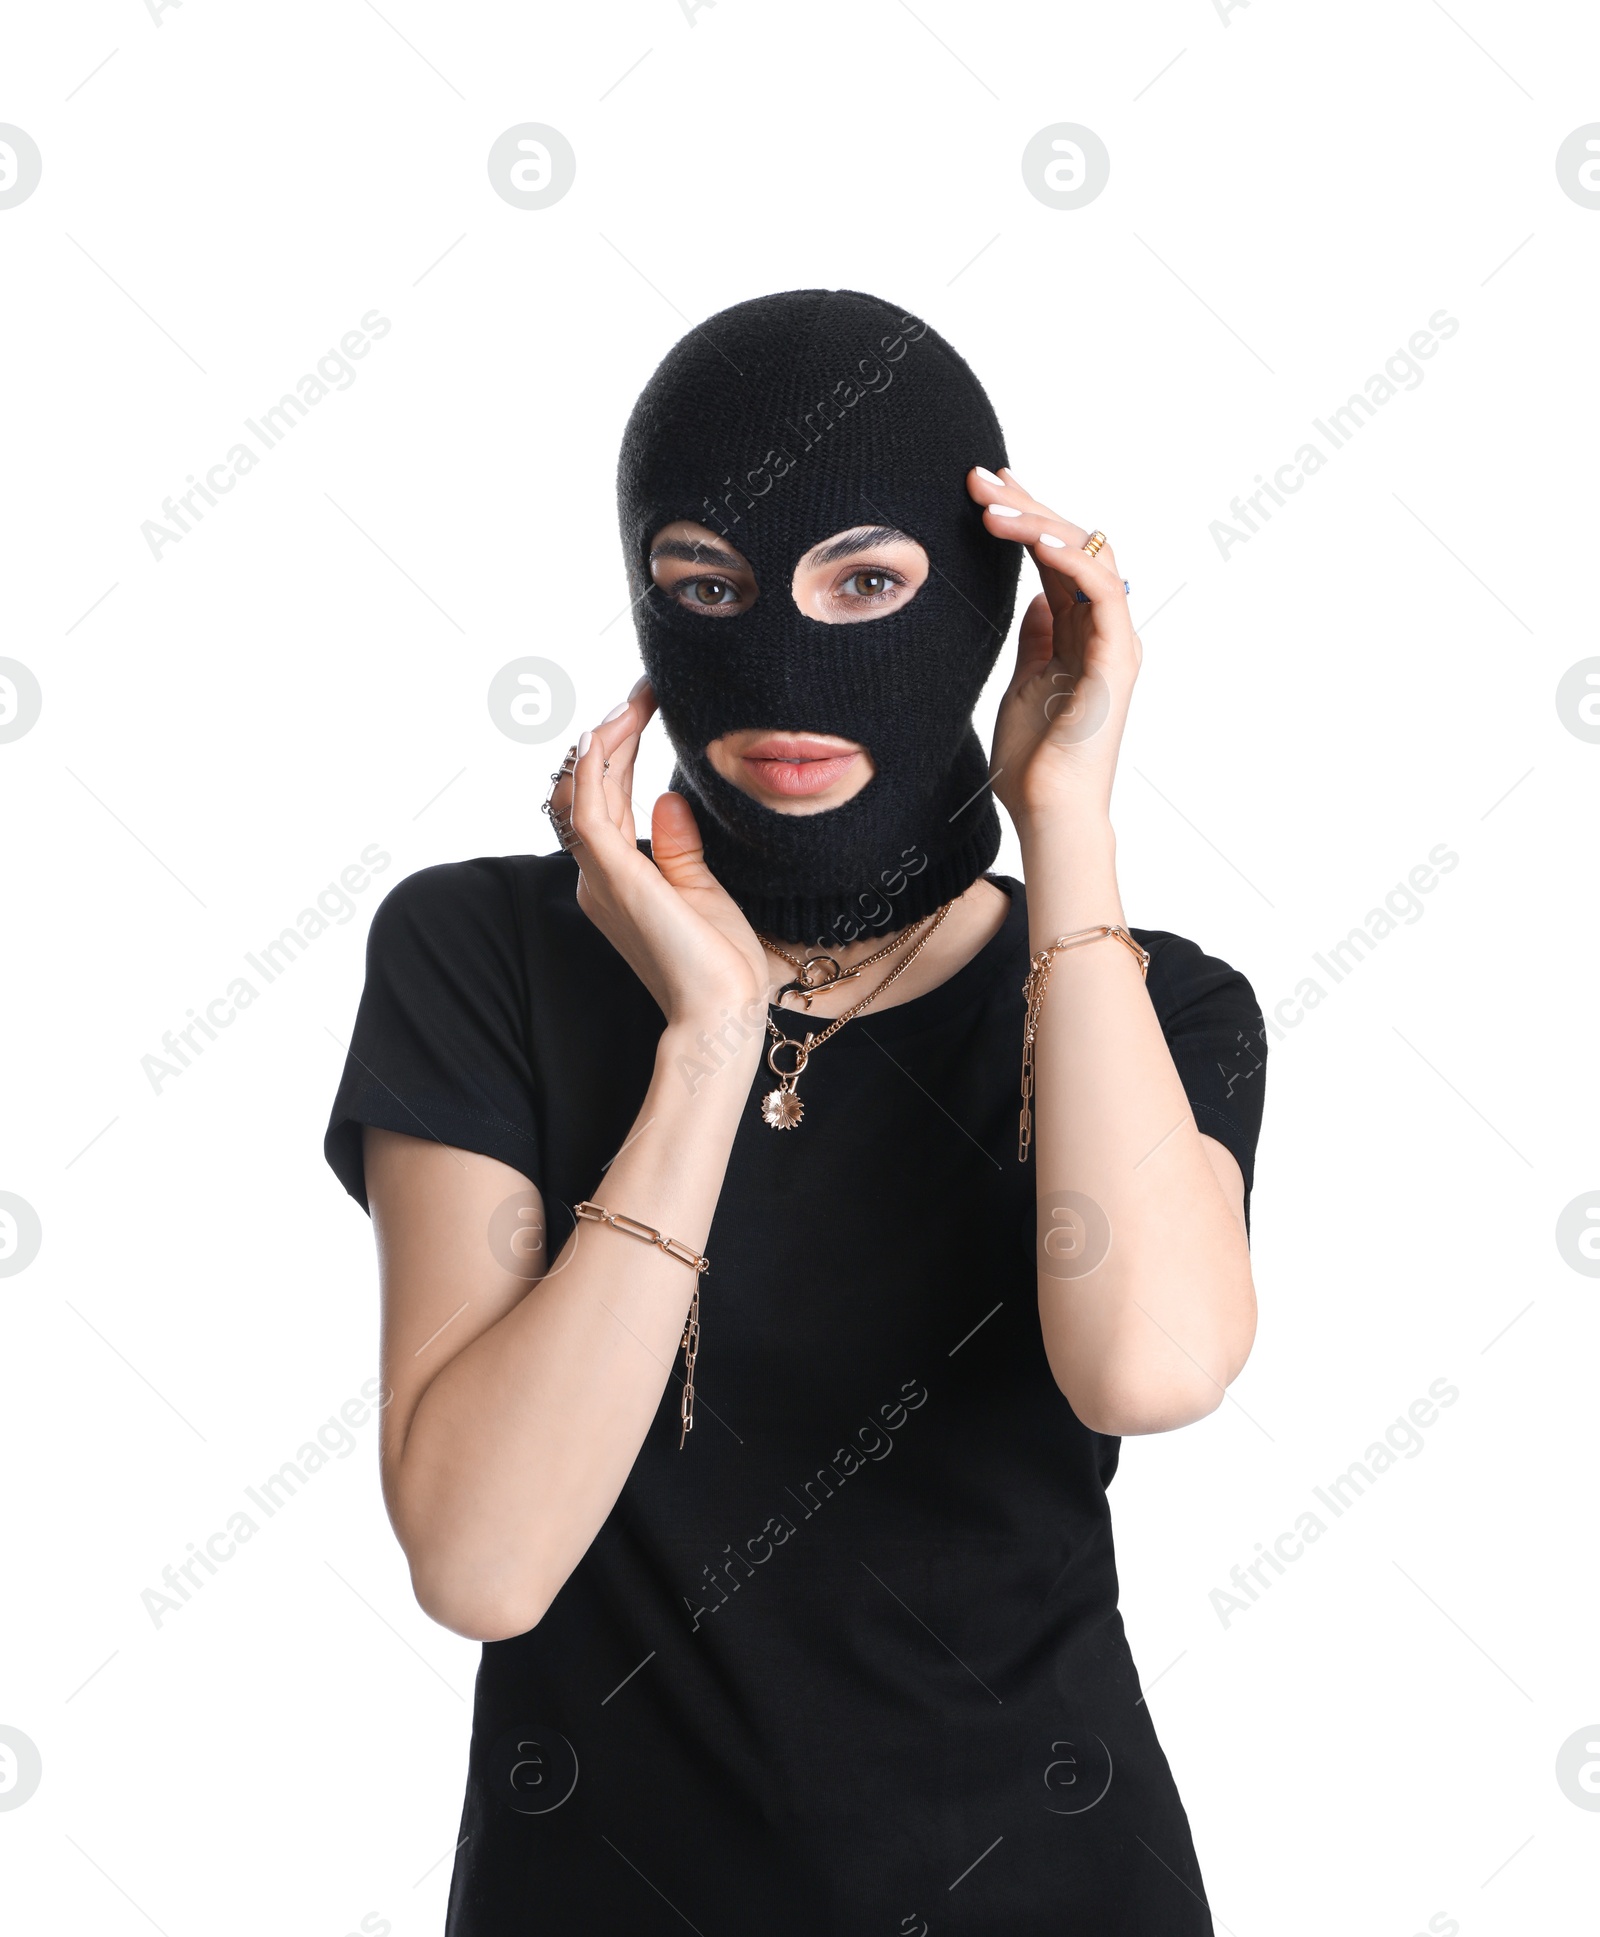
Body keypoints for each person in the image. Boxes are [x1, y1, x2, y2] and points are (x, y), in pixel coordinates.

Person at [325, 288, 1266, 1935]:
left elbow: (1151, 1363)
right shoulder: (479, 954)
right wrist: (708, 1038)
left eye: (870, 582)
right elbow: (481, 1557)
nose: (779, 661)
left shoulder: (1148, 1001)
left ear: (983, 599)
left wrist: (1070, 824)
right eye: (707, 584)